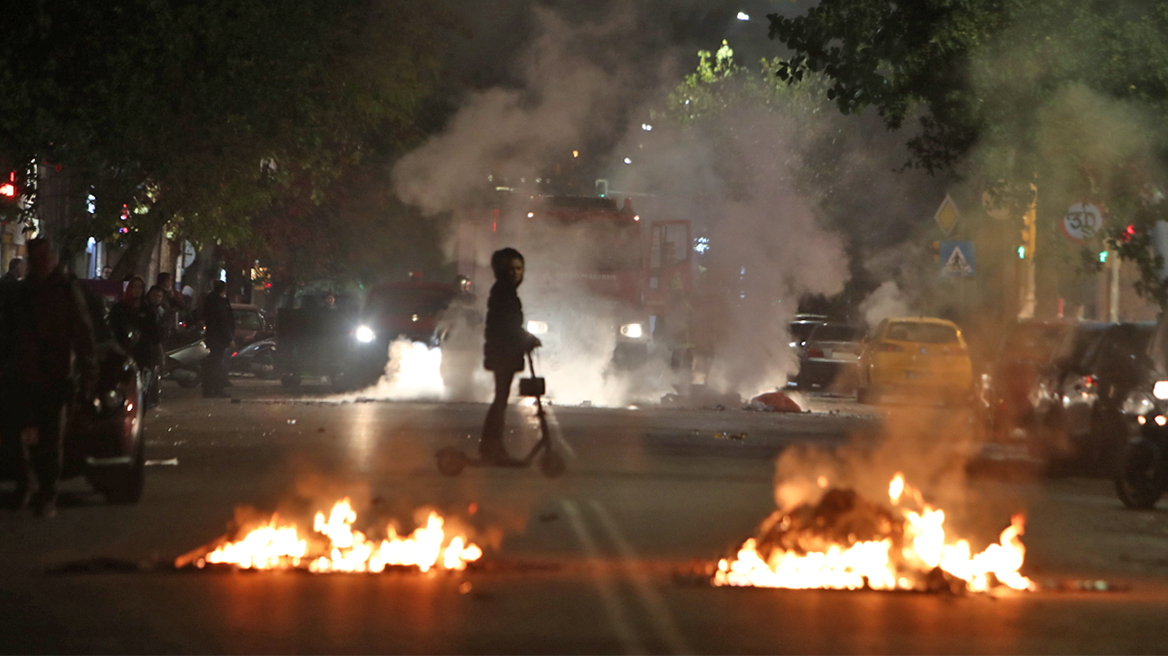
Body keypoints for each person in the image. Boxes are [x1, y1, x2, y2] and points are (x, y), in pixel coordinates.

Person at [1, 238, 96, 517]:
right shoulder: (22, 293)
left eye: (46, 256)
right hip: (22, 375)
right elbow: (9, 332)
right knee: (14, 433)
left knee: (51, 440)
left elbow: (83, 333)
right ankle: (24, 483)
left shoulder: (66, 291)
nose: (42, 261)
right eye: (37, 257)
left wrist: (88, 373)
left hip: (56, 376)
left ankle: (47, 494)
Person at [479, 248, 540, 463]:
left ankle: (491, 447)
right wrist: (527, 339)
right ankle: (492, 448)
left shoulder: (506, 292)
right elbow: (507, 325)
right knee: (500, 400)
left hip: (504, 352)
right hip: (503, 353)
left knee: (501, 399)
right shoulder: (504, 293)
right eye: (510, 269)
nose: (515, 273)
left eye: (519, 268)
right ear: (501, 271)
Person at [110, 277, 164, 408]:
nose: (137, 290)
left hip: (143, 356)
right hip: (124, 355)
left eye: (140, 287)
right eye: (134, 287)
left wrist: (160, 355)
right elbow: (111, 331)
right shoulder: (119, 309)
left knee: (143, 391)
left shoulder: (147, 311)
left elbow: (155, 335)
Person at [201, 280, 234, 398]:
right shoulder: (219, 302)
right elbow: (223, 321)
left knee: (213, 363)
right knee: (216, 364)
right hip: (218, 338)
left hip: (212, 336)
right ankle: (215, 389)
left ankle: (209, 389)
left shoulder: (210, 300)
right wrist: (229, 338)